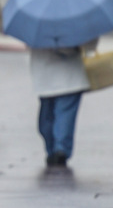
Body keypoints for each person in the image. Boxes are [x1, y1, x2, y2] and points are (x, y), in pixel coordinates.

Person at [30, 38, 98, 167]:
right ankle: (58, 149)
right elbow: (90, 45)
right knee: (59, 116)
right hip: (63, 77)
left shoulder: (38, 23)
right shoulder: (77, 20)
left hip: (51, 77)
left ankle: (57, 150)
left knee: (49, 117)